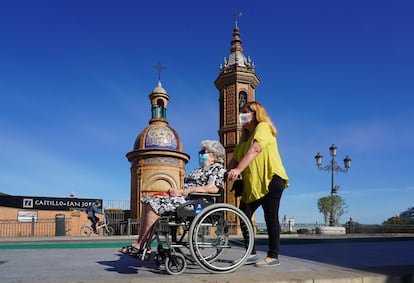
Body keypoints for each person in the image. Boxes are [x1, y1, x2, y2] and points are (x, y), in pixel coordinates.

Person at [119, 140, 227, 257]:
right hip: (185, 199)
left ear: (214, 155)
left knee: (152, 203)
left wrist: (184, 191)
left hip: (197, 202)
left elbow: (213, 188)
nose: (200, 154)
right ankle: (142, 244)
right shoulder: (198, 170)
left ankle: (141, 244)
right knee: (147, 200)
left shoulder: (218, 169)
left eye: (203, 152)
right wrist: (175, 192)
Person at [227, 101, 289, 268]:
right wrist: (223, 173)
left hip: (270, 179)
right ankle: (251, 254)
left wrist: (239, 169)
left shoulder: (263, 127)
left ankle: (273, 256)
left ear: (255, 114)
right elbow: (234, 159)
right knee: (243, 215)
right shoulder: (244, 138)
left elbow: (255, 149)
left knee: (271, 217)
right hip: (253, 184)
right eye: (240, 113)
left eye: (245, 112)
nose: (241, 116)